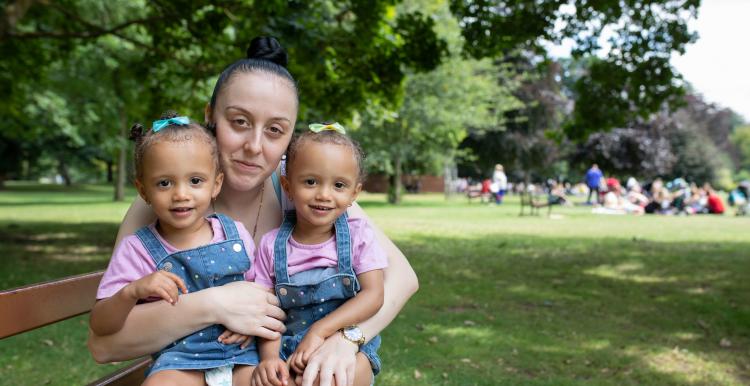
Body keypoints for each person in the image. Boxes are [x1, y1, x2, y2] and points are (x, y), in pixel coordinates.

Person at [87, 36, 418, 386]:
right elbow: (104, 345)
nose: (254, 147)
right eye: (239, 122)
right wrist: (215, 305)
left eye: (275, 130)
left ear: (290, 137)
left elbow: (403, 278)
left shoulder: (305, 188)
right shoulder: (166, 201)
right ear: (209, 115)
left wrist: (347, 338)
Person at [91, 113, 260, 385]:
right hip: (180, 363)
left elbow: (260, 292)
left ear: (216, 184)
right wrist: (132, 291)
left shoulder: (235, 234)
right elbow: (101, 325)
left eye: (195, 181)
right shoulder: (138, 249)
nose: (181, 194)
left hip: (243, 354)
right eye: (164, 183)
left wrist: (252, 329)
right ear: (143, 190)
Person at [251, 124, 386, 386]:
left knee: (324, 380)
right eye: (310, 182)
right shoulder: (271, 246)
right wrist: (269, 358)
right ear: (287, 186)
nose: (324, 195)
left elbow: (374, 295)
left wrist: (319, 332)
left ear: (353, 194)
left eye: (338, 185)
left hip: (347, 346)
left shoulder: (359, 236)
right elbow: (267, 312)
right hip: (288, 348)